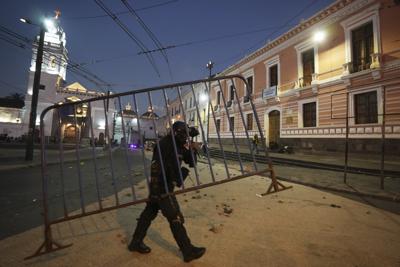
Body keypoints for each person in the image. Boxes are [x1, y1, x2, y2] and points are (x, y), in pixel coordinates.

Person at [128, 121, 206, 263]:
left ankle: (135, 242)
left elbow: (192, 163)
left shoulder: (180, 145)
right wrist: (163, 187)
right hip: (161, 186)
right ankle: (187, 251)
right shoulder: (164, 144)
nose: (185, 137)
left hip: (163, 186)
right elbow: (157, 167)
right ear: (176, 133)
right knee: (175, 216)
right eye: (183, 134)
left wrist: (193, 149)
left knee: (148, 214)